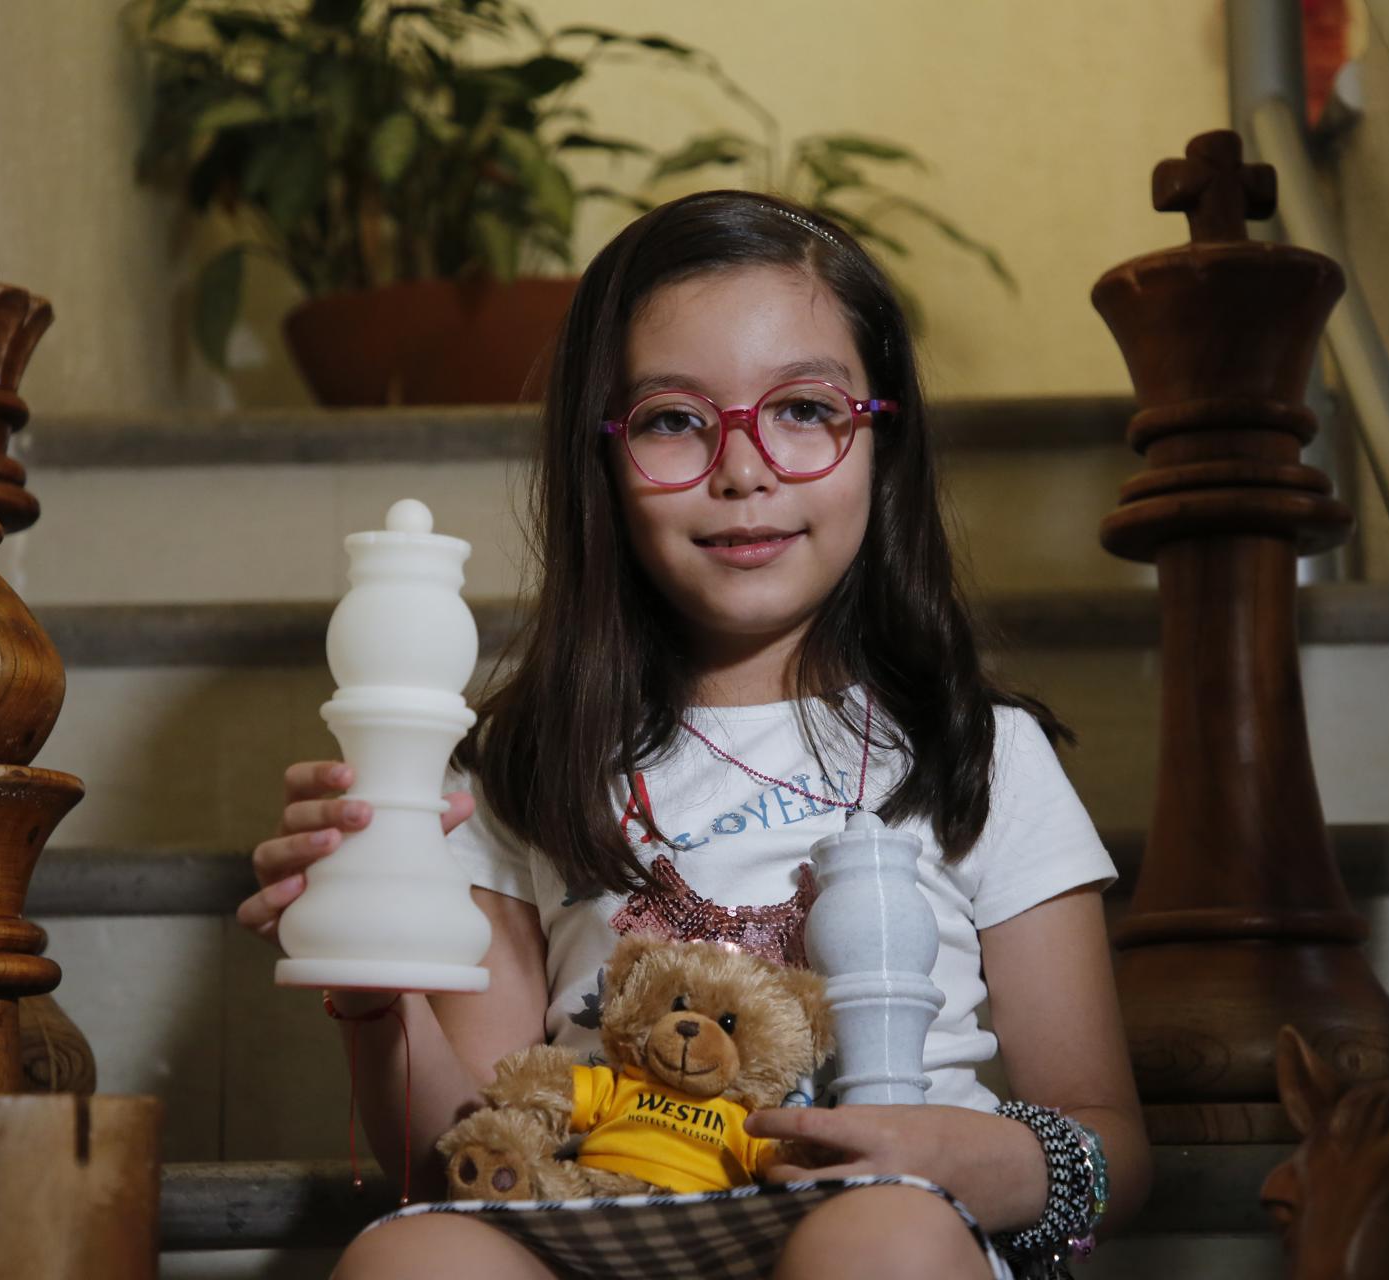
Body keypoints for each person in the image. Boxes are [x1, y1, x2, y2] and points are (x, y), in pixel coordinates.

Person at [237, 189, 1152, 1279]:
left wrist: (962, 1155)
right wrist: (370, 980)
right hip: (603, 1233)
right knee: (418, 1257)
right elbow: (461, 1154)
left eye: (805, 409)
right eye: (675, 418)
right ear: (604, 462)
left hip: (884, 1228)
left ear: (884, 440)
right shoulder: (526, 767)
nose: (744, 467)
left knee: (885, 1236)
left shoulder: (979, 753)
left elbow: (1114, 1155)